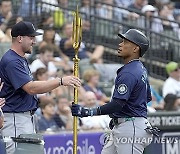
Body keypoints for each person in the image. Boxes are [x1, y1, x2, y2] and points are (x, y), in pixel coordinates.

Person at [71, 29, 158, 154]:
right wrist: (119, 115)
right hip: (127, 124)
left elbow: (117, 104)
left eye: (125, 42)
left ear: (135, 49)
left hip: (130, 127)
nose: (120, 44)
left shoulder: (129, 72)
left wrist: (89, 111)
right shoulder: (140, 68)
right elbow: (147, 97)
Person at [0, 21, 81, 154]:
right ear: (20, 38)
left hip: (24, 118)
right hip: (15, 119)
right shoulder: (12, 60)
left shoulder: (20, 58)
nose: (34, 41)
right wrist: (60, 81)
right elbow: (31, 88)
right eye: (31, 38)